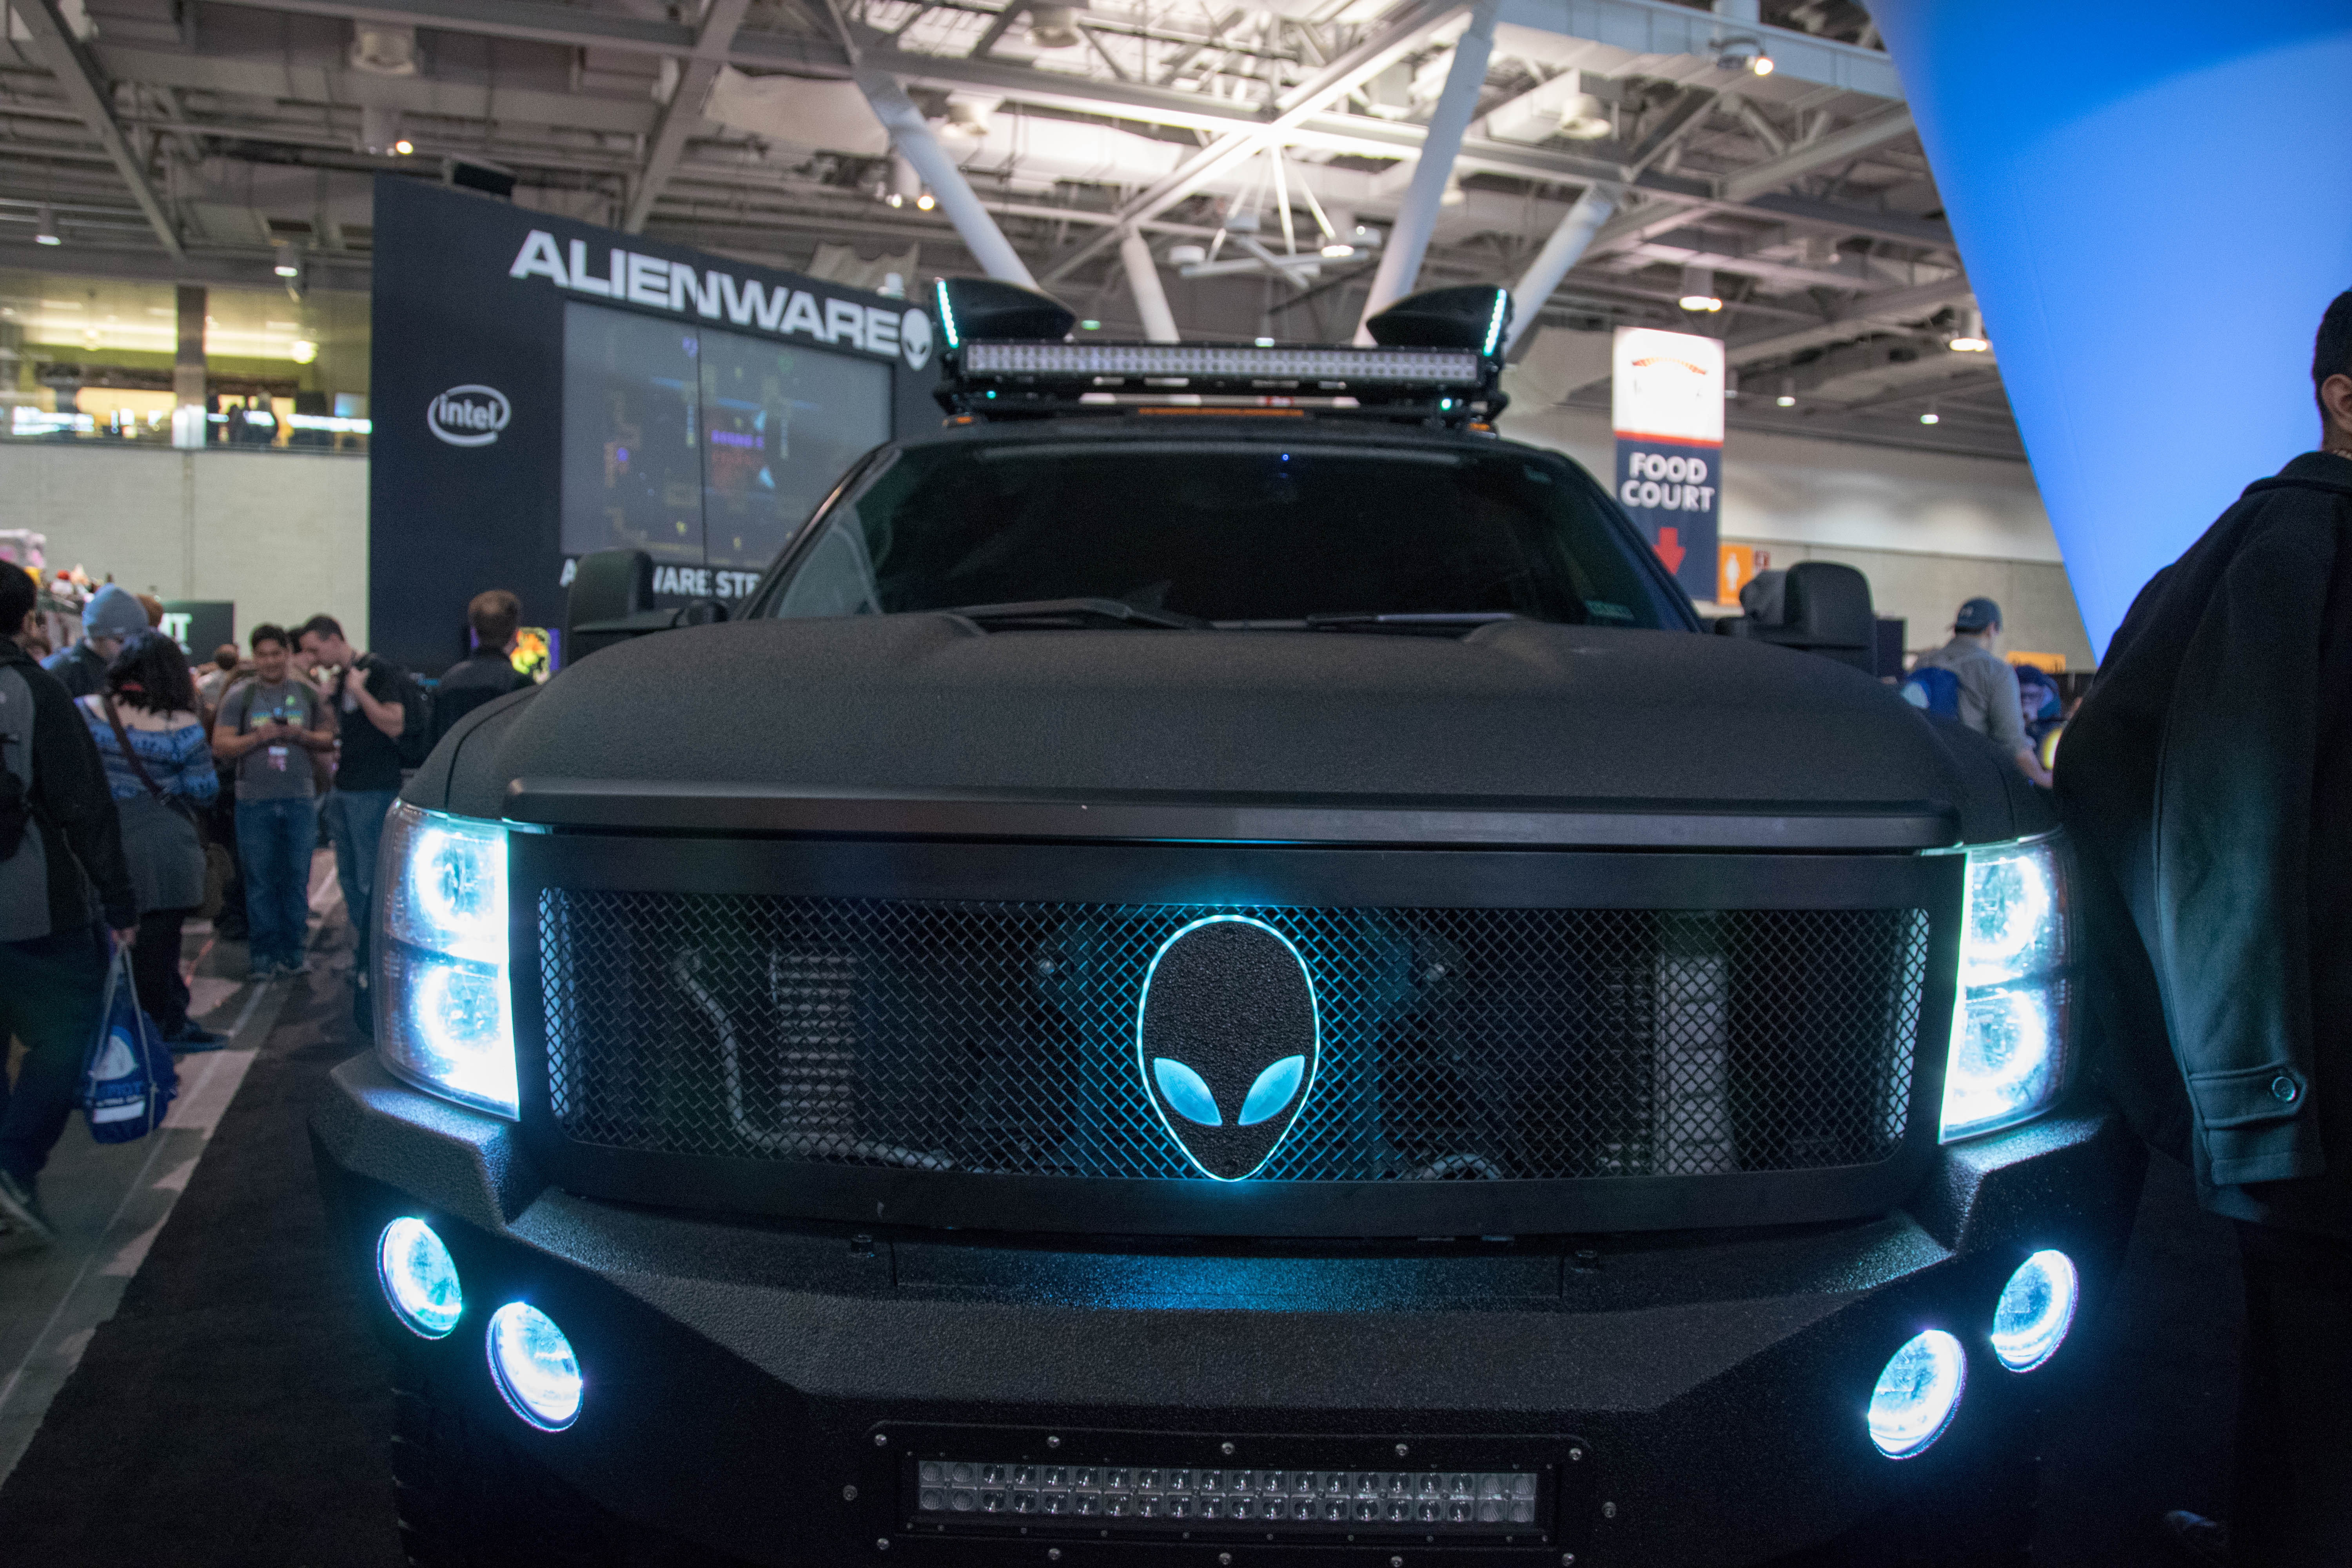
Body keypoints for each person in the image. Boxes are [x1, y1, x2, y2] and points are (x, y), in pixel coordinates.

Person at [2060, 287, 2352, 1567]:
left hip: (2295, 1089)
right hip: (2314, 1089)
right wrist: (2246, 1086)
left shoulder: (2260, 548)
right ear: (2343, 398)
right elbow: (2218, 830)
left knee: (2302, 1384)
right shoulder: (2292, 553)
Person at [0, 562, 137, 1244]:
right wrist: (119, 900)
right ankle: (13, 1166)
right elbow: (82, 804)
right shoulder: (37, 691)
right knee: (68, 1030)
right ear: (28, 619)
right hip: (30, 900)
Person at [80, 632, 225, 1048]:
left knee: (110, 943)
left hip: (101, 843)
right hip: (164, 846)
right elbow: (203, 790)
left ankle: (120, 1032)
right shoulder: (181, 725)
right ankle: (160, 1032)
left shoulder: (85, 712)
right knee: (160, 945)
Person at [212, 624, 333, 978]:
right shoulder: (240, 696)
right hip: (254, 802)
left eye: (276, 654)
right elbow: (220, 744)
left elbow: (329, 737)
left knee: (296, 879)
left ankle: (294, 953)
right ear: (254, 657)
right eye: (263, 655)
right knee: (260, 881)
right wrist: (258, 737)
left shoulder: (308, 693)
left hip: (299, 799)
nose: (270, 662)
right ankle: (263, 957)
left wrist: (300, 735)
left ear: (287, 654)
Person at [293, 614, 408, 973]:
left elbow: (394, 723)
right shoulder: (344, 677)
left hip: (373, 788)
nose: (313, 659)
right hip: (346, 788)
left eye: (315, 650)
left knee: (370, 877)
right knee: (349, 877)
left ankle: (375, 957)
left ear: (333, 640)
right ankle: (364, 955)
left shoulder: (376, 671)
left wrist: (359, 691)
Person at [1909, 597, 2054, 786]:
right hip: (1971, 783)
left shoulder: (1922, 664)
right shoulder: (1996, 671)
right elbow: (2013, 744)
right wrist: (2043, 778)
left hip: (1921, 778)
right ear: (1991, 629)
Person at [427, 589, 531, 751]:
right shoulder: (521, 684)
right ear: (515, 636)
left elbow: (432, 747)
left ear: (475, 633)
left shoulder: (448, 682)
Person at [39, 582, 145, 700]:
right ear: (98, 636)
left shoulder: (129, 671)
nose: (130, 648)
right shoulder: (59, 675)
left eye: (136, 640)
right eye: (122, 640)